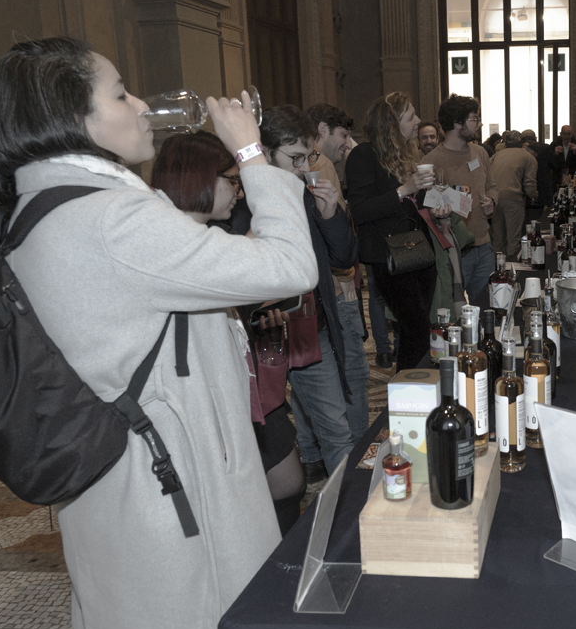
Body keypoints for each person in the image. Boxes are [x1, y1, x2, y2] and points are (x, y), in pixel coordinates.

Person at [0, 37, 318, 629]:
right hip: (176, 513)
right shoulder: (111, 219)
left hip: (117, 493)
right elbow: (292, 266)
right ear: (74, 116)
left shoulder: (34, 212)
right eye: (120, 92)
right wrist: (249, 151)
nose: (140, 106)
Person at [152, 131, 310, 533]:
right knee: (258, 497)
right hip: (207, 403)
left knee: (287, 483)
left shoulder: (208, 237)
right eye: (232, 181)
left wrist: (255, 317)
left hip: (248, 385)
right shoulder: (177, 243)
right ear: (198, 179)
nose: (238, 192)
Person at [259, 106, 365, 480]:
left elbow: (344, 257)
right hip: (261, 342)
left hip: (310, 330)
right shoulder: (239, 201)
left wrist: (331, 212)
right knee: (266, 444)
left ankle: (349, 523)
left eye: (308, 157)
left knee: (337, 431)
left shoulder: (306, 194)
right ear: (264, 152)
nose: (304, 168)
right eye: (294, 158)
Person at [346, 92, 437, 370]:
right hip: (390, 256)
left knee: (415, 332)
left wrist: (435, 206)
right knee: (417, 329)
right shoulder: (363, 155)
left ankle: (411, 390)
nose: (418, 121)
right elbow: (360, 211)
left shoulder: (406, 154)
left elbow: (411, 206)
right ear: (392, 122)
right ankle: (410, 389)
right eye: (411, 116)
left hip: (418, 251)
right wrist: (404, 189)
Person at [424, 93, 499, 305]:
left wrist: (492, 201)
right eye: (474, 118)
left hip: (484, 245)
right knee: (453, 313)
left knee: (485, 308)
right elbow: (427, 207)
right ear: (457, 123)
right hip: (454, 251)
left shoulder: (480, 153)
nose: (479, 123)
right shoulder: (431, 161)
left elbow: (492, 186)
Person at [490, 129, 539, 257]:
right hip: (513, 199)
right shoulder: (528, 157)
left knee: (497, 239)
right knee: (513, 239)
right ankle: (512, 269)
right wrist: (534, 194)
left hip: (493, 200)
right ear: (521, 142)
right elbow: (529, 185)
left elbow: (487, 175)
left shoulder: (497, 155)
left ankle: (496, 269)